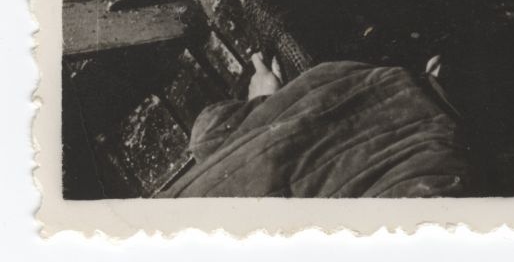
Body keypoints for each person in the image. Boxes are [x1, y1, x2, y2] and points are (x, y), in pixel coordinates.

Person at [163, 53, 474, 198]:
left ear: (434, 63)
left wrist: (260, 103)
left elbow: (207, 133)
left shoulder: (339, 71)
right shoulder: (445, 168)